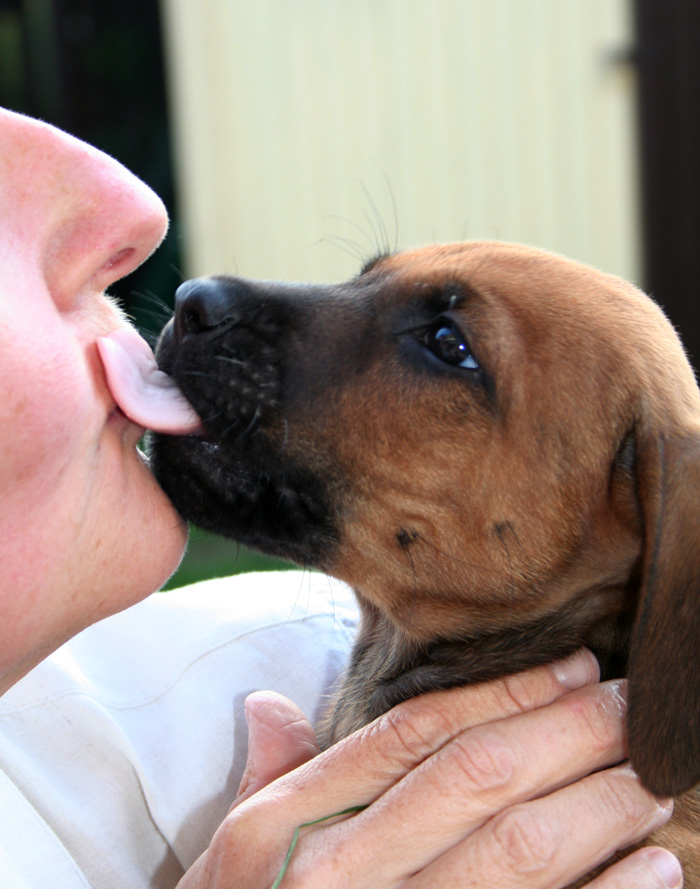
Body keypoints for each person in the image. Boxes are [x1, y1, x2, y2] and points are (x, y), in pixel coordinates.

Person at [0, 106, 683, 889]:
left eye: (446, 346)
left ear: (640, 518)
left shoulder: (240, 666)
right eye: (446, 346)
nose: (201, 299)